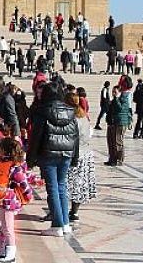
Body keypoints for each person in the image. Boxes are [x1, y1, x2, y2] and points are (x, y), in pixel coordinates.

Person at [27, 80, 79, 237]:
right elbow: (74, 136)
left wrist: (31, 158)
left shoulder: (43, 111)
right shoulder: (71, 111)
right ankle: (65, 223)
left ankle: (57, 224)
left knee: (53, 188)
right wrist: (74, 158)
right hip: (66, 155)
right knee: (61, 186)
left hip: (48, 154)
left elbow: (36, 137)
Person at [65, 88, 96, 222]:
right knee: (79, 182)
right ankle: (75, 211)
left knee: (69, 182)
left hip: (75, 154)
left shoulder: (72, 118)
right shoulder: (83, 116)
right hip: (86, 153)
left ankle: (66, 210)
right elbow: (90, 133)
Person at [105, 85, 132, 166]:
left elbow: (120, 109)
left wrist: (116, 98)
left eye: (115, 92)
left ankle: (119, 159)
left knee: (118, 142)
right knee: (111, 141)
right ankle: (112, 159)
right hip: (113, 122)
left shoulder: (124, 99)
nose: (113, 93)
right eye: (112, 91)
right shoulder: (114, 100)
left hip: (120, 123)